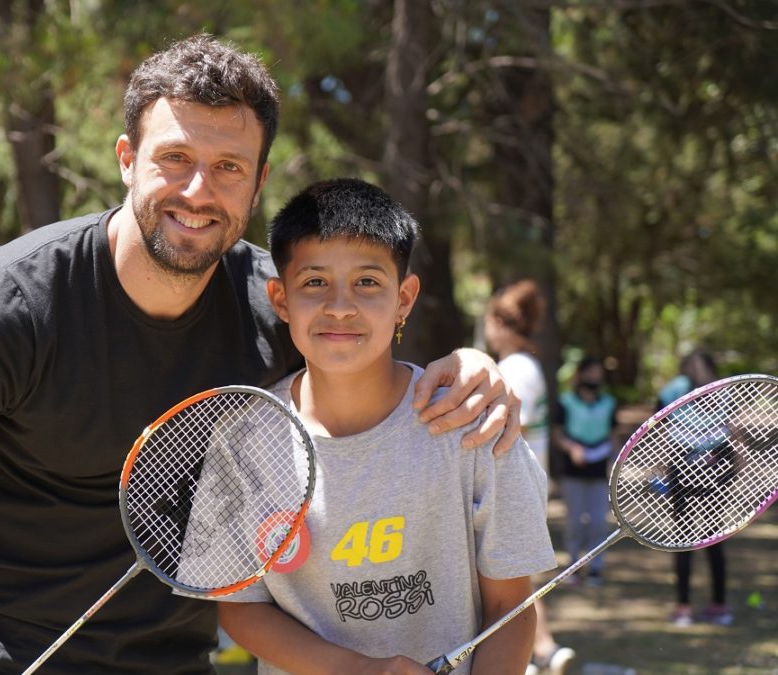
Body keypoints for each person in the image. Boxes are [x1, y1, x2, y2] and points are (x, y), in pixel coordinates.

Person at [0, 35, 524, 675]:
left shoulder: (276, 307)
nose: (199, 192)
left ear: (257, 188)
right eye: (175, 158)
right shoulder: (3, 310)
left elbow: (374, 352)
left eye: (228, 168)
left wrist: (471, 365)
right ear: (126, 159)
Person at [212, 178, 556, 674]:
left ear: (405, 298)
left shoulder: (472, 423)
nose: (341, 306)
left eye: (368, 282)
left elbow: (511, 607)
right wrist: (358, 669)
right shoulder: (242, 440)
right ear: (280, 299)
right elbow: (242, 609)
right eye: (314, 282)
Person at [484, 281, 575, 675]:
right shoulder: (527, 364)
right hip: (523, 482)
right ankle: (542, 652)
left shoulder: (514, 368)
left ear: (500, 323)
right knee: (516, 577)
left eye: (488, 320)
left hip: (512, 485)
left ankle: (539, 652)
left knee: (510, 578)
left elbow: (504, 427)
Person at [658, 348, 733, 627]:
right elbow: (734, 435)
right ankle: (719, 606)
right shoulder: (723, 390)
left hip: (688, 470)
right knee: (712, 540)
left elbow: (662, 432)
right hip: (715, 471)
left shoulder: (674, 390)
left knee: (685, 539)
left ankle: (684, 608)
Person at [552, 356, 617, 588]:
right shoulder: (566, 402)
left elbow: (612, 435)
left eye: (598, 374)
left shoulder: (608, 403)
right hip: (573, 474)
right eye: (590, 373)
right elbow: (557, 434)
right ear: (580, 375)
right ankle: (573, 566)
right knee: (574, 522)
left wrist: (613, 464)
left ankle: (595, 569)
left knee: (599, 522)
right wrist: (572, 448)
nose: (594, 378)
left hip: (599, 474)